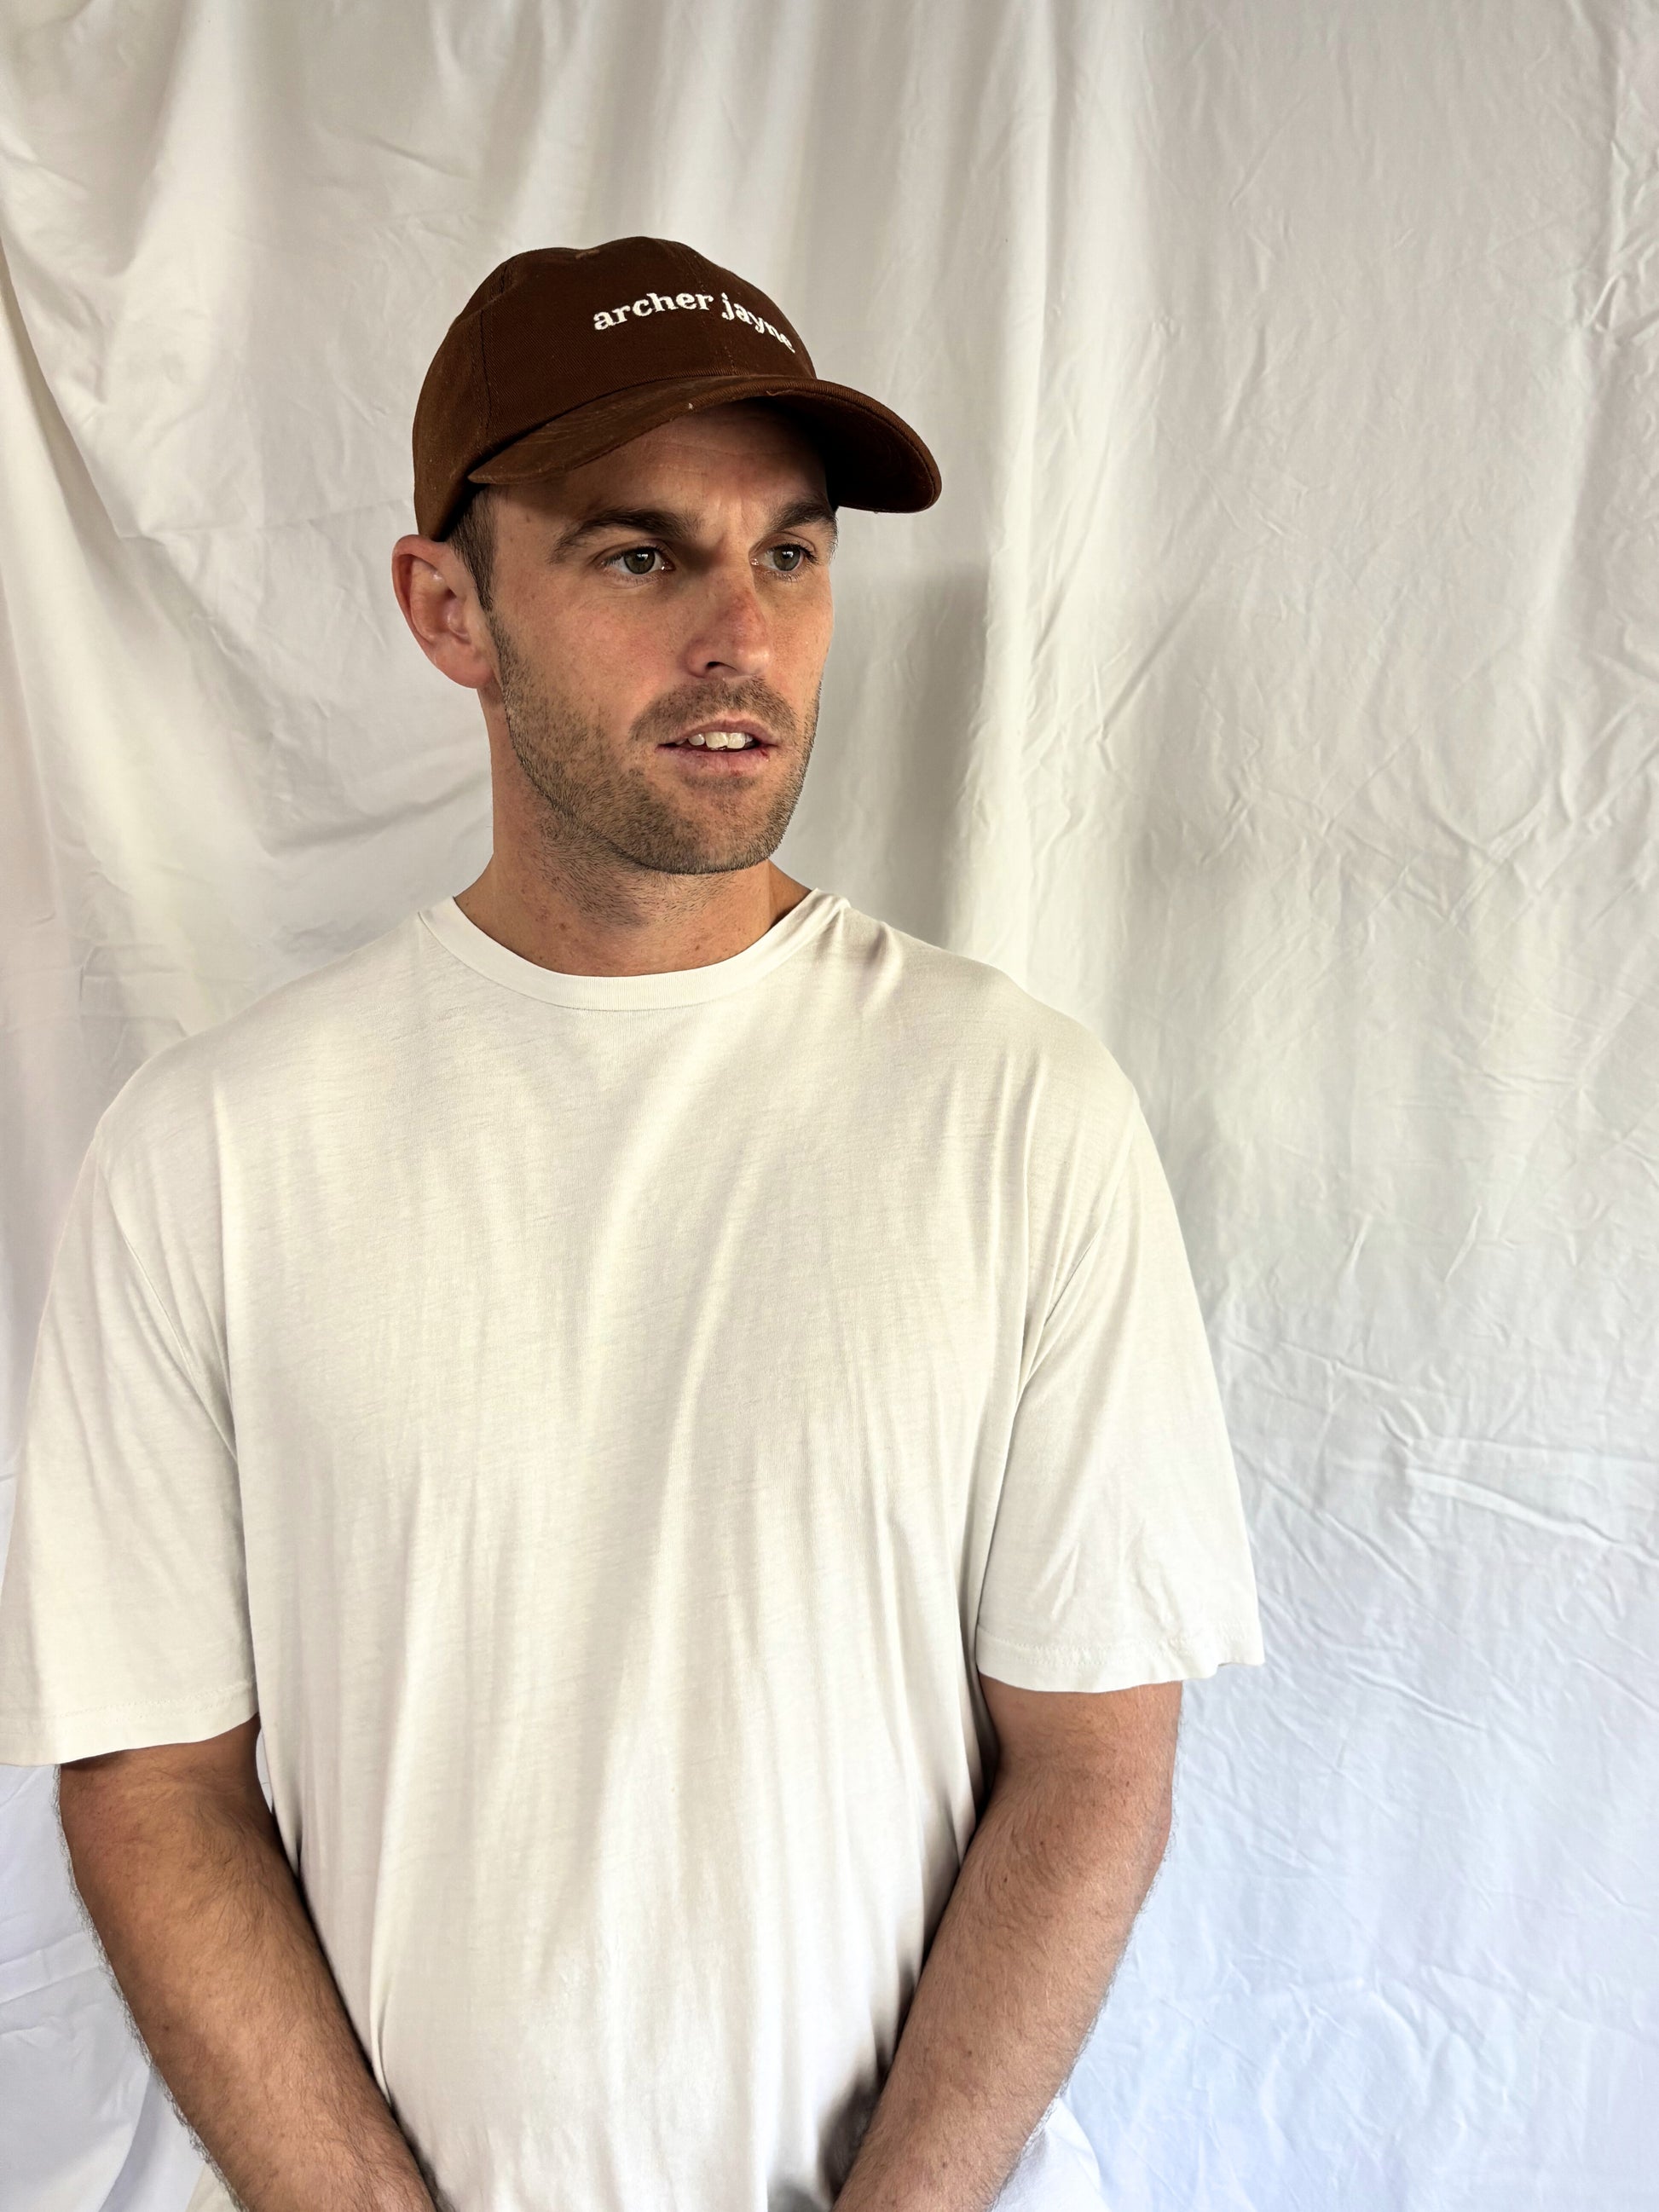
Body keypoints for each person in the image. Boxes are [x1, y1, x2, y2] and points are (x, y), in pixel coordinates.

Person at [0, 236, 1263, 2212]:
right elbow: (155, 1776)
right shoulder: (211, 1153)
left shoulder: (1019, 1111)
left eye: (791, 552)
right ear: (450, 607)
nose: (740, 635)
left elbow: (1093, 1757)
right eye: (639, 553)